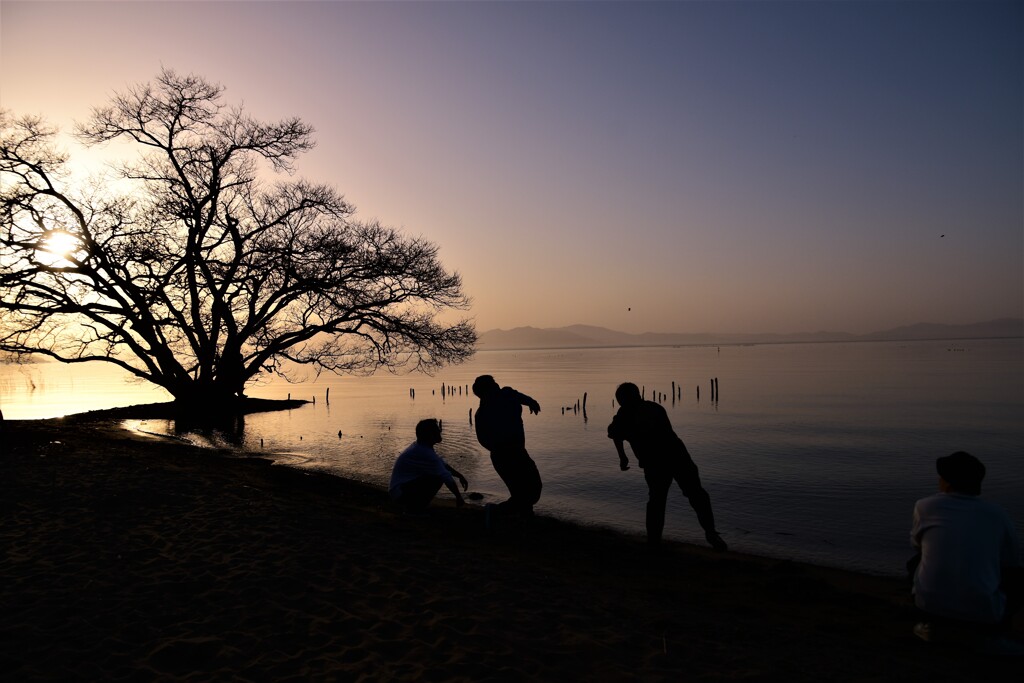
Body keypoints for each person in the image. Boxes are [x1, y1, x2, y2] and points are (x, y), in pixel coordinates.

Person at [910, 451, 1022, 648]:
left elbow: (917, 544)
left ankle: (933, 620)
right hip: (985, 615)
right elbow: (1012, 562)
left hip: (927, 607)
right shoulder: (998, 515)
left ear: (947, 482)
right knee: (1016, 576)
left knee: (915, 561)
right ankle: (998, 630)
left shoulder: (925, 506)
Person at [608, 382, 727, 552]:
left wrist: (623, 456)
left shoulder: (627, 414)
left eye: (621, 399)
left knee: (661, 500)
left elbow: (615, 434)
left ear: (624, 400)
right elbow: (616, 434)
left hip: (663, 461)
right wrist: (623, 456)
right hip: (675, 457)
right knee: (694, 495)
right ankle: (709, 532)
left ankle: (656, 542)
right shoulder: (651, 409)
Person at [471, 374, 542, 517]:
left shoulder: (507, 394)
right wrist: (499, 447)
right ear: (486, 391)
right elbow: (483, 439)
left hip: (516, 451)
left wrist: (531, 402)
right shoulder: (482, 413)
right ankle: (495, 512)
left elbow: (520, 397)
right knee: (523, 491)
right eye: (493, 384)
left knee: (530, 489)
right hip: (503, 454)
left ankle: (522, 515)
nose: (496, 385)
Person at [388, 419, 468, 514]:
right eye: (437, 430)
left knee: (436, 474)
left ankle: (415, 507)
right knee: (438, 477)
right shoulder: (425, 452)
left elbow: (441, 463)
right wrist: (458, 497)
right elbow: (446, 476)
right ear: (430, 435)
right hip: (400, 493)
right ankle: (414, 509)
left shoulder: (420, 446)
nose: (440, 431)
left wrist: (459, 475)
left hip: (399, 490)